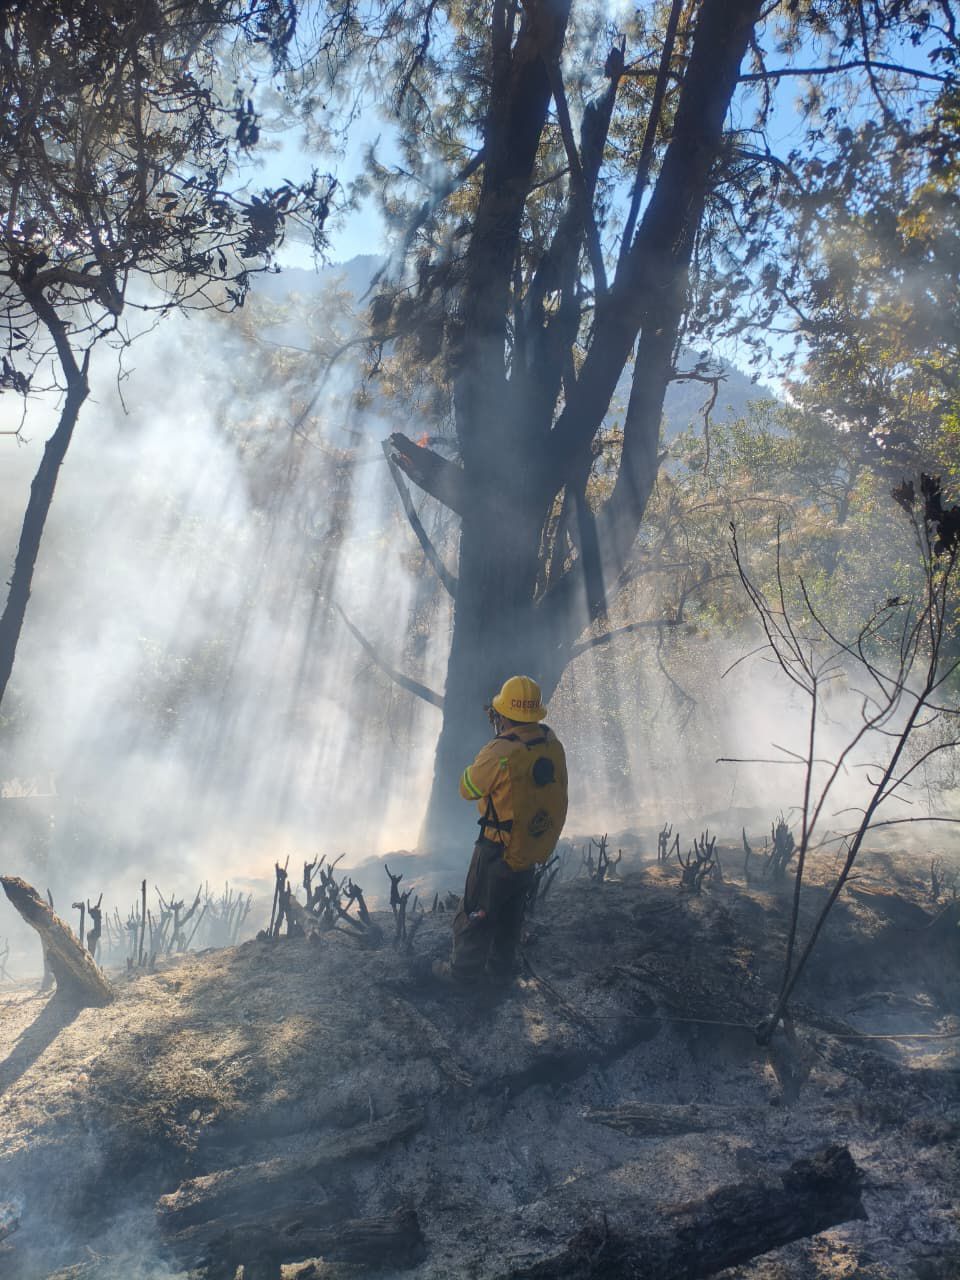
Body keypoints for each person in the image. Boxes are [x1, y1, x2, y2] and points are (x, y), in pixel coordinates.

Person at [433, 675, 568, 986]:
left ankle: (462, 976)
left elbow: (467, 789)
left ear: (505, 714)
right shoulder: (551, 743)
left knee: (474, 914)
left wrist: (480, 761)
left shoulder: (499, 751)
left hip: (496, 850)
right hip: (529, 849)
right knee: (511, 913)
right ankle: (500, 972)